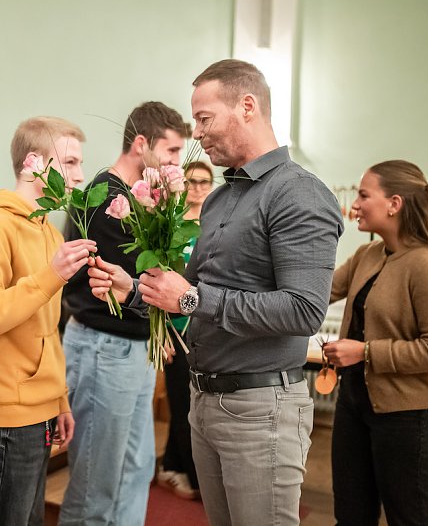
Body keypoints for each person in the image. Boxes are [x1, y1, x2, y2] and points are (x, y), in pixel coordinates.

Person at [88, 59, 343, 525]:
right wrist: (133, 290)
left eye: (205, 119)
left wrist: (190, 298)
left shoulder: (297, 193)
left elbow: (305, 310)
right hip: (207, 401)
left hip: (260, 408)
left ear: (247, 106)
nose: (198, 134)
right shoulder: (222, 199)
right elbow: (194, 292)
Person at [0, 116, 95, 525]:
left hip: (39, 409)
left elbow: (46, 328)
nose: (80, 176)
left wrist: (59, 398)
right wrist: (50, 276)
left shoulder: (48, 231)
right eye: (69, 163)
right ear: (33, 163)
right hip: (4, 416)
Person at [59, 101, 187, 525]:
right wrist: (158, 320)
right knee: (96, 484)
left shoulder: (142, 201)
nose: (174, 164)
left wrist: (158, 327)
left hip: (131, 347)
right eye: (170, 153)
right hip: (103, 346)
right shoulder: (104, 199)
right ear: (140, 144)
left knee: (136, 470)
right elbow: (121, 285)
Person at [322, 160, 428, 525]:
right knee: (351, 515)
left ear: (394, 204)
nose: (355, 204)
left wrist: (365, 352)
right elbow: (316, 293)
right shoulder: (368, 255)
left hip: (406, 419)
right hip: (354, 405)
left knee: (409, 519)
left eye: (364, 195)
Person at [157, 160, 214, 500]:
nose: (196, 187)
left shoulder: (214, 225)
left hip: (206, 331)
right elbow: (159, 280)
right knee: (183, 405)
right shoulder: (171, 226)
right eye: (190, 181)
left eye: (203, 181)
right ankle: (195, 480)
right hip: (176, 331)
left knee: (195, 403)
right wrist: (161, 330)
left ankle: (170, 466)